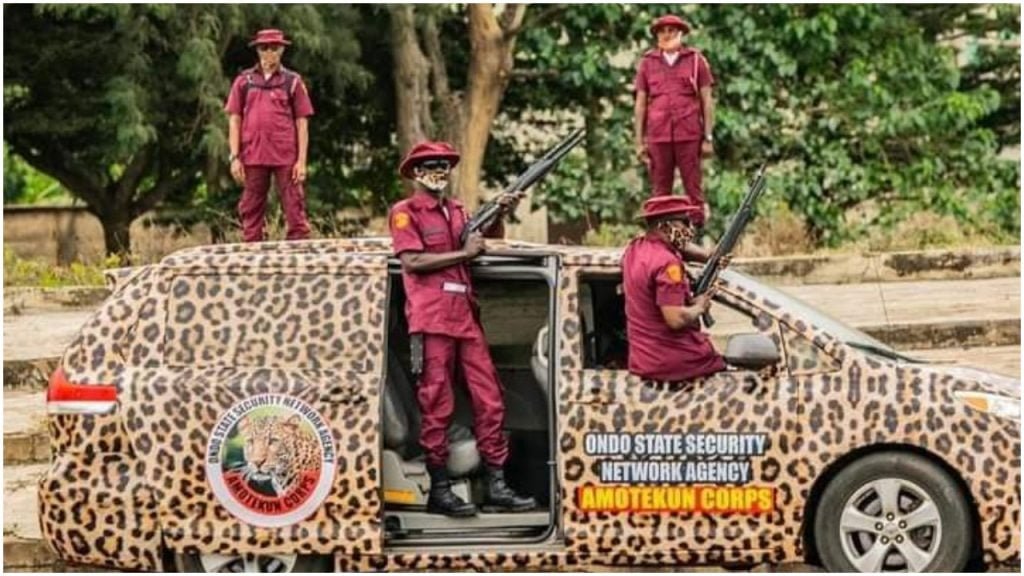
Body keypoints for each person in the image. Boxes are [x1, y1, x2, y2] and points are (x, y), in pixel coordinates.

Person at [388, 141, 536, 518]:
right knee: (436, 404)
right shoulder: (405, 213)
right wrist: (465, 254)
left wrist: (500, 212)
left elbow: (488, 240)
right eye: (429, 165)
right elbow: (413, 261)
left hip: (465, 318)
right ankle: (439, 489)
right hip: (431, 319)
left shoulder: (457, 211)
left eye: (443, 165)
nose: (438, 171)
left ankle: (497, 484)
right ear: (416, 173)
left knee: (491, 398)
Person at [622, 195, 727, 382]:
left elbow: (679, 248)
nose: (690, 229)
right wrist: (699, 306)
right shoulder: (668, 263)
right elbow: (675, 319)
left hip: (644, 360)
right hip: (675, 361)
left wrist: (710, 256)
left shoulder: (635, 249)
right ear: (664, 226)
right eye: (685, 222)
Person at [224, 28, 314, 242]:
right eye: (264, 48)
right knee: (251, 207)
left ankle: (298, 249)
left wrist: (301, 161)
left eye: (274, 48)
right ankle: (252, 250)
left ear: (281, 50)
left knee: (294, 205)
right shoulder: (244, 81)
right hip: (253, 153)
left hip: (285, 155)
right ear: (257, 51)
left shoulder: (292, 81)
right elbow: (234, 119)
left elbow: (302, 122)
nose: (269, 53)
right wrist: (234, 156)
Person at [633, 14, 716, 226]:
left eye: (671, 30)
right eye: (662, 31)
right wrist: (639, 141)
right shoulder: (647, 63)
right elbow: (640, 104)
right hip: (658, 136)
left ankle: (696, 233)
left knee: (693, 188)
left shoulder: (696, 61)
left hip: (689, 134)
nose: (667, 35)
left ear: (680, 34)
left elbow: (707, 101)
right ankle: (661, 236)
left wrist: (708, 138)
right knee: (660, 192)